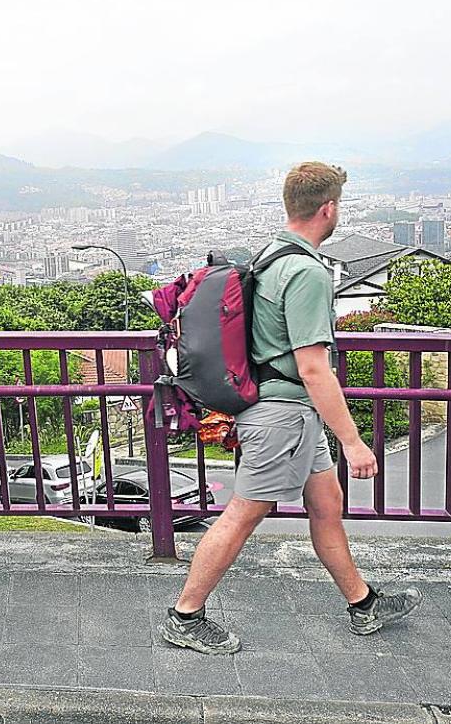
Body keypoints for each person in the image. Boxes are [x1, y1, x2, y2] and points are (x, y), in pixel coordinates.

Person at [158, 162, 421, 654]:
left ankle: (362, 606)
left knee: (326, 507)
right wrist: (353, 440)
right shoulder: (305, 271)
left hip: (289, 413)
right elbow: (314, 368)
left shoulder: (271, 256)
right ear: (329, 208)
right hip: (284, 417)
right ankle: (184, 616)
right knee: (242, 514)